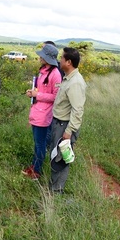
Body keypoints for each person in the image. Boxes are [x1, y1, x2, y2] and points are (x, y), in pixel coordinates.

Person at [48, 47, 87, 194]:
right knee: (55, 156)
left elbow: (78, 110)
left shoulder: (75, 82)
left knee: (61, 159)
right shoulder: (68, 78)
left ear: (68, 62)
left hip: (64, 126)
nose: (60, 61)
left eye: (62, 58)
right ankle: (53, 187)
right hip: (59, 123)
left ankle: (57, 191)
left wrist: (69, 131)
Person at [23, 43, 62, 179]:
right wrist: (33, 92)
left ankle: (37, 171)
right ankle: (34, 166)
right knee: (37, 143)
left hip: (44, 114)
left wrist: (37, 95)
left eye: (42, 56)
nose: (40, 58)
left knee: (40, 145)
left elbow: (56, 96)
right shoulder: (44, 70)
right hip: (37, 111)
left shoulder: (55, 74)